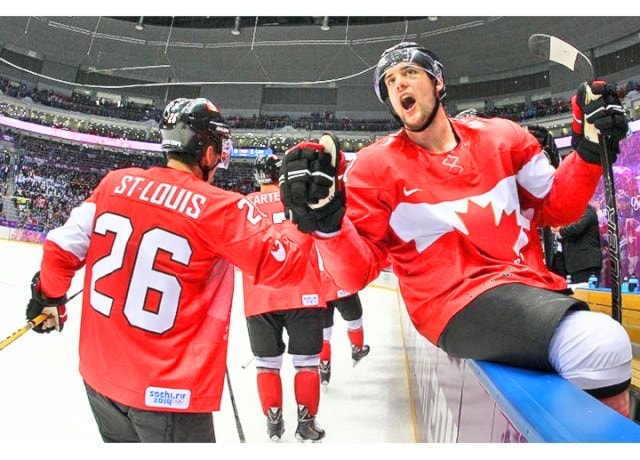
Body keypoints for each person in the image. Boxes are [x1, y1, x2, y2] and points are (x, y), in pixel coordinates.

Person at [278, 42, 633, 416]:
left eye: (410, 73)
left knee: (601, 358)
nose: (400, 85)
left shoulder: (503, 137)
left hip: (530, 288)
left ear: (437, 81)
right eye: (390, 81)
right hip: (455, 303)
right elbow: (354, 273)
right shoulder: (374, 167)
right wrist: (328, 224)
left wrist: (590, 152)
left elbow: (557, 207)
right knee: (601, 344)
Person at [24, 97, 319, 442]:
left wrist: (48, 296)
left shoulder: (115, 182)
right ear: (208, 153)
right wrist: (307, 216)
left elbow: (61, 248)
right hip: (168, 394)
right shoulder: (221, 208)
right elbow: (285, 268)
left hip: (100, 379)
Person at [241, 152, 326, 443]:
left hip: (259, 296)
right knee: (306, 363)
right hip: (303, 292)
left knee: (267, 364)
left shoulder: (243, 205)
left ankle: (273, 423)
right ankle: (306, 424)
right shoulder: (301, 202)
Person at [319, 270, 370, 388]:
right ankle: (357, 348)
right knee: (355, 320)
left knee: (324, 333)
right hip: (342, 284)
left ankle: (324, 364)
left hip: (319, 288)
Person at [551, 203, 603, 284]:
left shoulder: (587, 210)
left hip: (585, 264)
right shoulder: (570, 213)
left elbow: (576, 228)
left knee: (584, 294)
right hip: (572, 265)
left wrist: (559, 229)